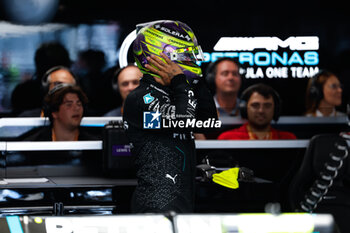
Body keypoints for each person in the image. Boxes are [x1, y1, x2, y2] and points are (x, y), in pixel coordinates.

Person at [123, 20, 217, 213]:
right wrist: (181, 81)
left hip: (182, 201)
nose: (191, 62)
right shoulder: (139, 98)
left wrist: (195, 80)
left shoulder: (178, 93)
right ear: (160, 57)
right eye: (185, 56)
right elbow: (184, 120)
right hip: (155, 204)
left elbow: (210, 122)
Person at [218, 83, 296, 140]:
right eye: (255, 105)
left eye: (267, 106)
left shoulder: (288, 138)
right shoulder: (228, 138)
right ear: (244, 108)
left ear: (275, 109)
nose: (261, 110)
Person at [24, 84, 96, 141]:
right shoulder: (34, 145)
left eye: (79, 104)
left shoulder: (94, 145)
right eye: (69, 105)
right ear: (54, 112)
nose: (76, 108)